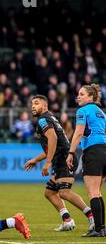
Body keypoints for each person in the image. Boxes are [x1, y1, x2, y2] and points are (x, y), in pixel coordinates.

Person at [25, 95, 94, 232]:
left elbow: (53, 138)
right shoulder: (49, 118)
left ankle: (93, 218)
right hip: (60, 158)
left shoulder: (43, 120)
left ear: (44, 106)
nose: (33, 106)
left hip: (64, 158)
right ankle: (67, 220)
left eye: (36, 103)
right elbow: (53, 145)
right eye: (32, 103)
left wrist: (48, 162)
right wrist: (36, 160)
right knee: (50, 192)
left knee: (64, 192)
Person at [66, 84, 106, 237]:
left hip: (94, 152)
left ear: (91, 97)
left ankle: (98, 229)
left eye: (82, 94)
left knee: (93, 192)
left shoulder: (82, 111)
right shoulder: (101, 113)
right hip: (104, 150)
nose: (78, 96)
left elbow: (78, 133)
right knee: (98, 192)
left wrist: (71, 152)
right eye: (78, 93)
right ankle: (101, 227)